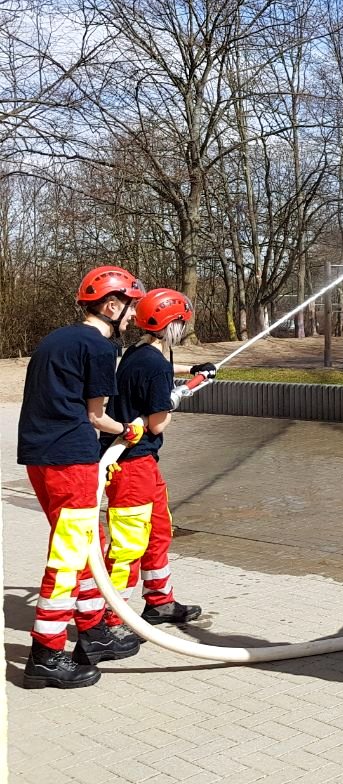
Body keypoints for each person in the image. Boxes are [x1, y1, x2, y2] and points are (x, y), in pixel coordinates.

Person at [18, 266, 147, 689]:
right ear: (111, 305)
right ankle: (46, 654)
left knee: (88, 543)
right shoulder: (99, 347)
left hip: (39, 454)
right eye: (128, 306)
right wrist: (128, 428)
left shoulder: (58, 338)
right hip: (69, 458)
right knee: (71, 555)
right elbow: (96, 417)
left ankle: (93, 634)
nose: (132, 316)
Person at [100, 288, 216, 629]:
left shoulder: (143, 351)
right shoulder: (153, 365)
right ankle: (111, 619)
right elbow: (157, 422)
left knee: (159, 531)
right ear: (173, 324)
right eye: (182, 322)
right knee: (129, 544)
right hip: (130, 465)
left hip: (143, 463)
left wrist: (195, 371)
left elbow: (159, 369)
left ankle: (160, 601)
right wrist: (176, 398)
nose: (184, 327)